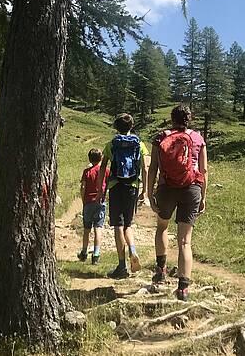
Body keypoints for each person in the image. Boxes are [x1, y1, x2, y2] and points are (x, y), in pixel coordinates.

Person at [147, 104, 208, 301]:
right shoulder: (198, 138)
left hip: (166, 188)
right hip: (192, 189)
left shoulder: (161, 136)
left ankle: (161, 270)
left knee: (162, 227)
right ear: (189, 119)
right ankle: (183, 288)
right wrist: (203, 196)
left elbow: (153, 168)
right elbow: (204, 170)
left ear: (171, 118)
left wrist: (149, 192)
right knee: (185, 241)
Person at [97, 113, 150, 279]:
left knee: (117, 226)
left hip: (115, 187)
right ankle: (133, 250)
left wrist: (101, 189)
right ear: (131, 126)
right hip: (132, 187)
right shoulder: (139, 144)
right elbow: (145, 168)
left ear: (116, 127)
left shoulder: (112, 144)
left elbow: (102, 167)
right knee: (128, 224)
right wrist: (145, 190)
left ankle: (122, 266)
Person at [78, 148, 109, 265]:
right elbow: (108, 185)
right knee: (98, 228)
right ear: (101, 158)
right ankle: (96, 254)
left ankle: (84, 252)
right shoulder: (105, 171)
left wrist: (83, 200)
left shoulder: (86, 172)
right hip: (100, 202)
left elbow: (82, 188)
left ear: (89, 159)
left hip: (88, 202)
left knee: (86, 229)